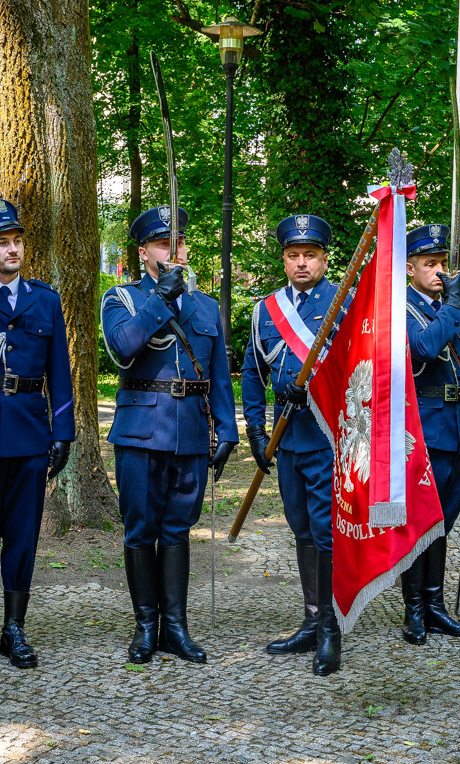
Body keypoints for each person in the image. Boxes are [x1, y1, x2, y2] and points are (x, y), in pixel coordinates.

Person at [102, 206, 238, 665]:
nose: (173, 251)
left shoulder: (203, 306)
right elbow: (123, 347)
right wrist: (159, 299)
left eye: (178, 243)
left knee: (178, 530)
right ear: (144, 253)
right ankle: (145, 627)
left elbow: (218, 373)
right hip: (141, 431)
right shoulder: (121, 299)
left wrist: (228, 429)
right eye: (163, 244)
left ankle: (175, 628)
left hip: (192, 432)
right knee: (141, 531)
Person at [242, 214, 345, 676]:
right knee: (301, 528)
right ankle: (309, 620)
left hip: (326, 435)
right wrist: (256, 431)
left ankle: (330, 630)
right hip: (286, 438)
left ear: (324, 259)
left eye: (310, 255)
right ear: (283, 260)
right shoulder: (266, 309)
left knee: (325, 533)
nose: (301, 263)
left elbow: (361, 367)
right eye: (293, 256)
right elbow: (251, 372)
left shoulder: (344, 302)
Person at [402, 224, 460, 645]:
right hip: (425, 430)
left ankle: (436, 606)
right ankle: (415, 610)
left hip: (458, 430)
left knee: (442, 523)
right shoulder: (401, 309)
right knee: (419, 524)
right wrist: (452, 309)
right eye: (430, 264)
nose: (439, 272)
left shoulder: (451, 308)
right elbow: (422, 349)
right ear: (409, 268)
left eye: (442, 264)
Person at [0, 199, 74, 668]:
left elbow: (60, 373)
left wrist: (62, 432)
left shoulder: (44, 299)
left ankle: (14, 628)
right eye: (3, 243)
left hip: (29, 433)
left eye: (17, 241)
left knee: (22, 535)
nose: (13, 250)